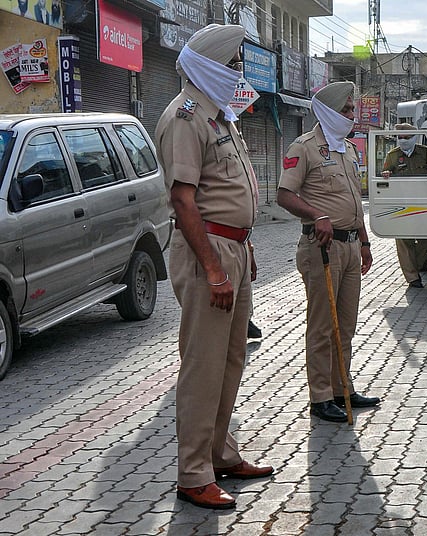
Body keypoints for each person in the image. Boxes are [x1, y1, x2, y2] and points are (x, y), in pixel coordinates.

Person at [155, 23, 273, 510]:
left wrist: (242, 249)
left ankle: (221, 455)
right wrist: (216, 269)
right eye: (233, 64)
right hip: (210, 255)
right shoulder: (186, 117)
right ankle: (192, 473)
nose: (238, 72)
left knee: (230, 360)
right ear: (209, 67)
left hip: (232, 250)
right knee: (203, 365)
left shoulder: (219, 116)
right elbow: (184, 203)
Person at [276, 81, 379, 423]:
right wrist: (314, 215)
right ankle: (320, 396)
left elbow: (352, 201)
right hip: (322, 247)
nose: (352, 115)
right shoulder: (304, 147)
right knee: (322, 325)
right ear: (331, 112)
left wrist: (364, 242)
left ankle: (342, 388)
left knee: (345, 324)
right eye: (348, 110)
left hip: (350, 245)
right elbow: (285, 195)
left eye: (352, 109)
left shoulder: (348, 149)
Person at [381, 123, 427, 288]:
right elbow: (384, 175)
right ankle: (412, 277)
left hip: (423, 203)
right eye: (400, 137)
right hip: (402, 204)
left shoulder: (425, 152)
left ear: (414, 137)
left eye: (407, 137)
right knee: (404, 240)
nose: (403, 141)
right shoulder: (393, 155)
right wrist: (386, 175)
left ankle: (417, 265)